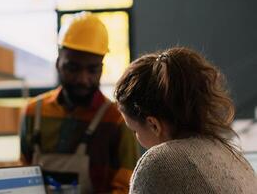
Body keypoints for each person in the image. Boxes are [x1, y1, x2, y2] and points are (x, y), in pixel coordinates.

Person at [20, 12, 140, 193]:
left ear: (102, 67)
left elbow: (126, 188)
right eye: (73, 68)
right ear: (58, 62)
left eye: (92, 70)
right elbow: (23, 180)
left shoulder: (117, 119)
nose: (83, 79)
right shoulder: (32, 113)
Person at [115, 47, 257, 194]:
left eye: (134, 130)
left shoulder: (158, 163)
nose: (136, 137)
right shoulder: (235, 159)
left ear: (153, 125)